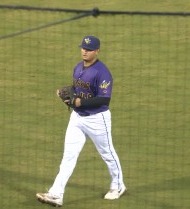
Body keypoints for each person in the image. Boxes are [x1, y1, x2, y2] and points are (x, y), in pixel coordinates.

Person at [36, 35, 126, 207]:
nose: (85, 51)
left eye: (89, 49)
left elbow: (104, 100)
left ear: (97, 51)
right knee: (68, 156)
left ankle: (118, 186)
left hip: (98, 119)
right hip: (77, 118)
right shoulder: (78, 68)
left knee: (107, 153)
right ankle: (56, 194)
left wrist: (79, 102)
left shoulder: (103, 73)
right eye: (83, 48)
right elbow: (75, 91)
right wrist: (65, 96)